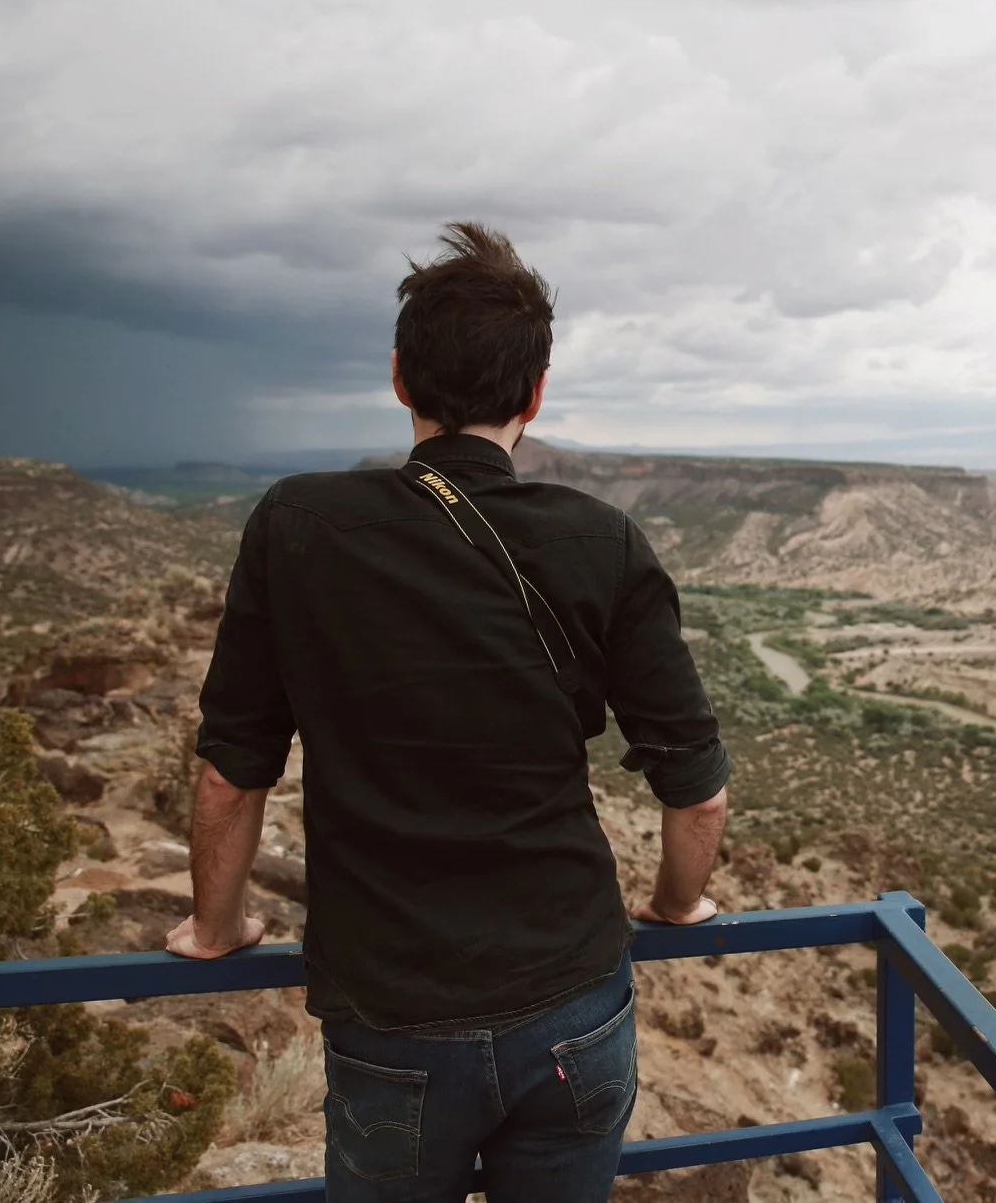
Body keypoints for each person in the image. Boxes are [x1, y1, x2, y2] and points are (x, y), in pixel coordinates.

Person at [168, 221, 731, 1203]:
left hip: (395, 1016)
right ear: (534, 393)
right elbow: (697, 792)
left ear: (399, 378)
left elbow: (232, 770)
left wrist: (216, 929)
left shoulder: (299, 526)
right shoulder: (603, 542)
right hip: (575, 1006)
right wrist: (677, 905)